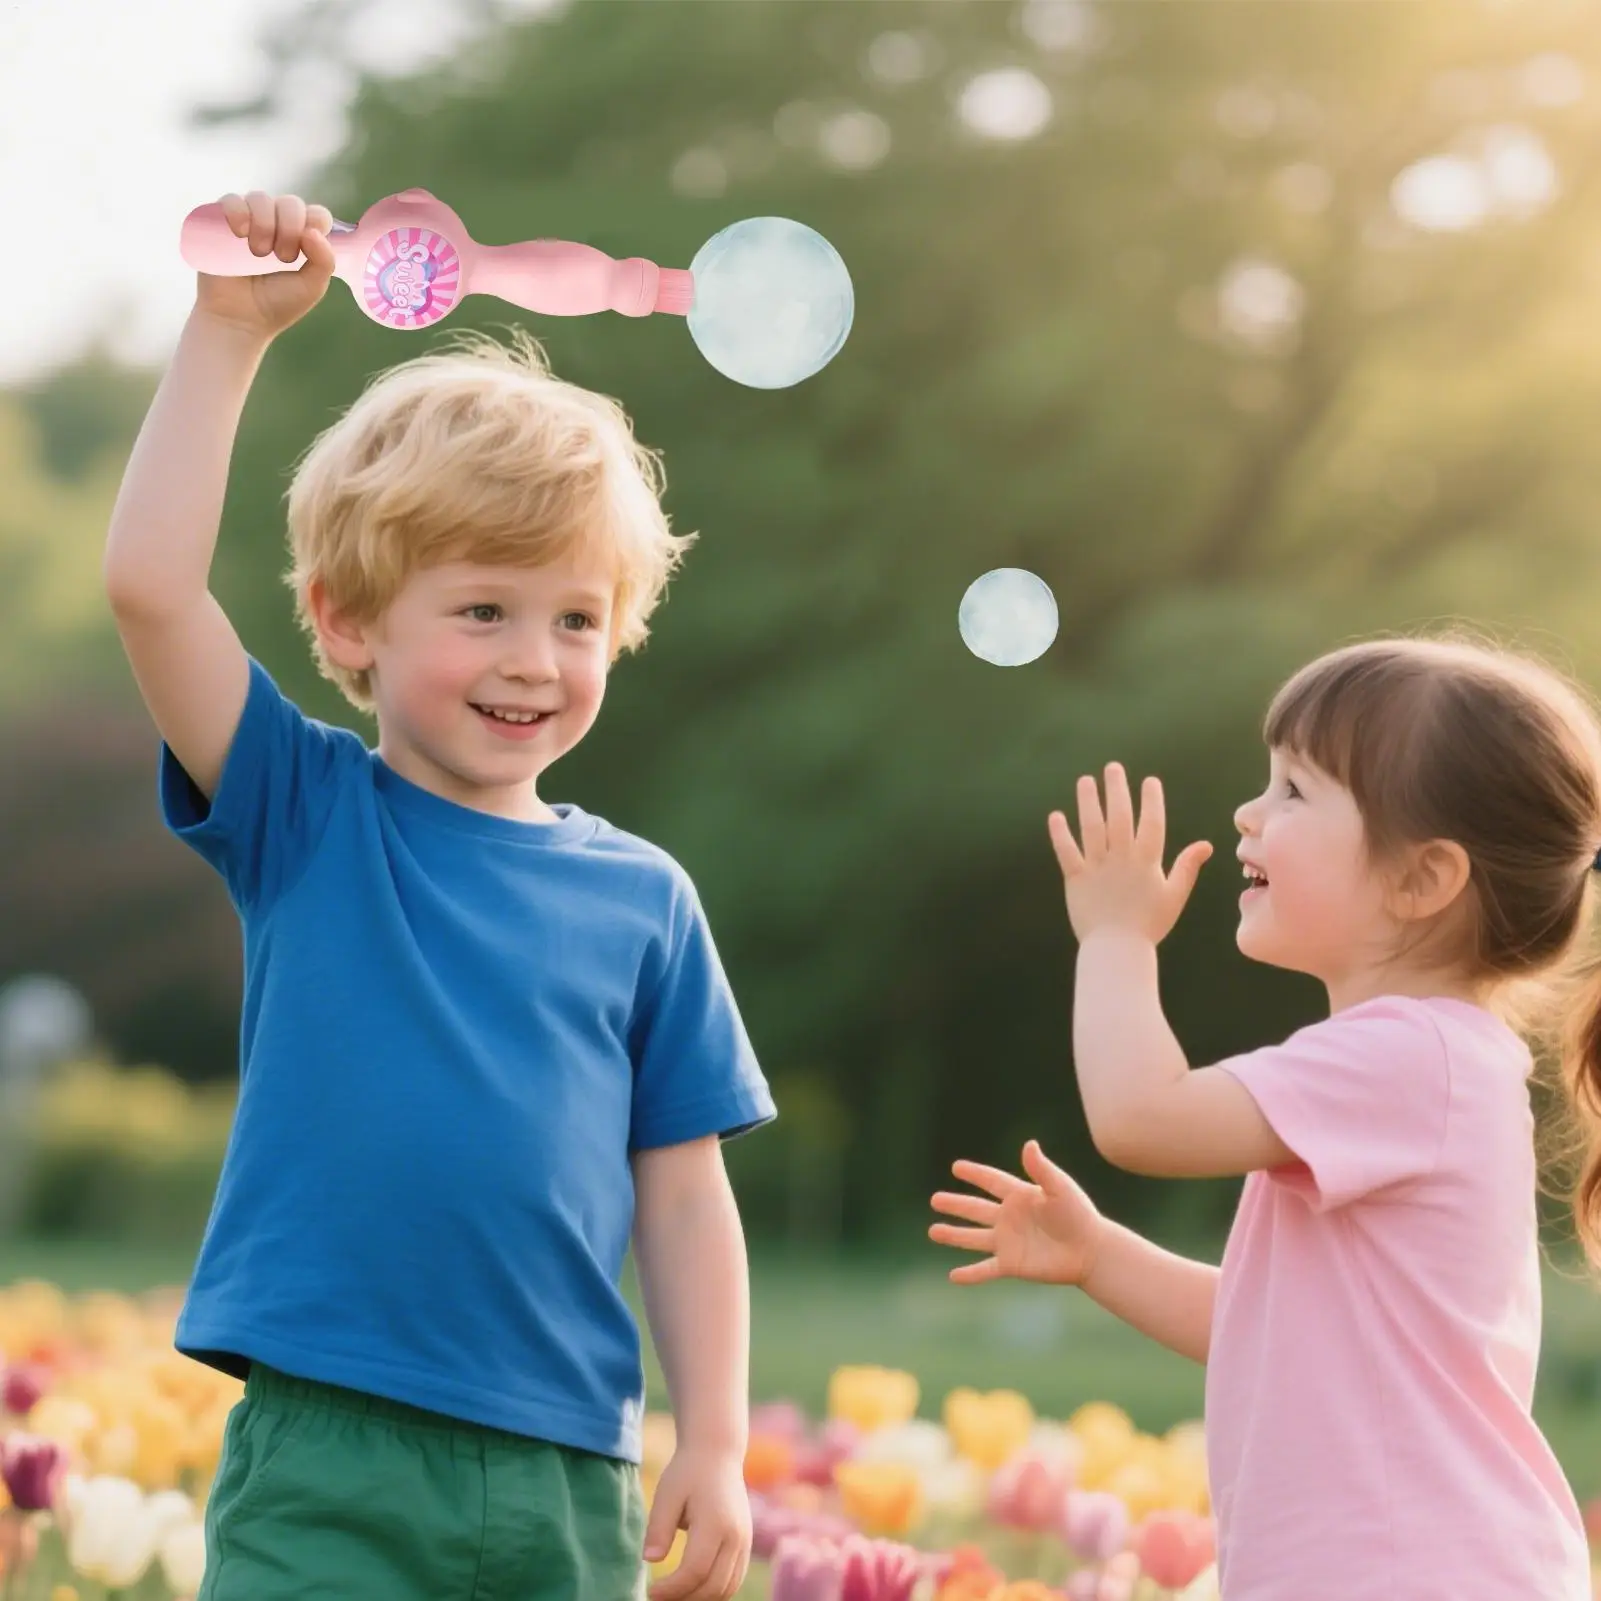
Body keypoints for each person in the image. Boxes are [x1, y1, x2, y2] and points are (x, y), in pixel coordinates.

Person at [103, 190, 775, 1601]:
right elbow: (152, 589)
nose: (535, 658)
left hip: (562, 1473)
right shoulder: (305, 813)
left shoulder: (643, 899)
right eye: (484, 610)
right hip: (328, 1452)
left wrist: (713, 1437)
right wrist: (227, 336)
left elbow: (685, 1193)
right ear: (350, 620)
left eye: (576, 618)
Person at [929, 632, 1601, 1599]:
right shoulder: (1424, 1062)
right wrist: (1100, 1256)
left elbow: (1138, 1116)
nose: (1249, 811)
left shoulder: (1406, 1056)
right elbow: (1278, 1332)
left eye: (1294, 790)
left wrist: (1115, 938)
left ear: (1422, 880)